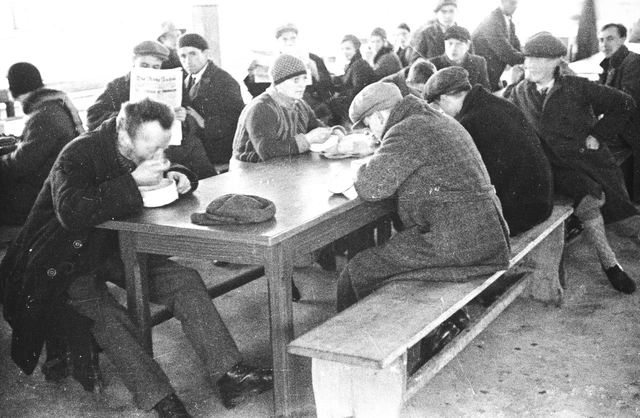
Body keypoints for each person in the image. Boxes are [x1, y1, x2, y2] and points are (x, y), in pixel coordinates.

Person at [0, 98, 273, 418]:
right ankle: (161, 400)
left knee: (183, 280)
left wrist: (182, 176)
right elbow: (71, 212)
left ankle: (230, 374)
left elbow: (168, 171)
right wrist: (132, 182)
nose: (159, 155)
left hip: (112, 245)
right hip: (61, 258)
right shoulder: (77, 153)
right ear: (124, 135)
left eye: (163, 148)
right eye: (152, 148)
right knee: (107, 315)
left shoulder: (141, 145)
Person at [336, 82, 510, 312]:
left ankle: (361, 341)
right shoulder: (433, 117)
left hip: (457, 242)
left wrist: (361, 167)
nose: (373, 134)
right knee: (383, 260)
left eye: (369, 127)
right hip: (484, 234)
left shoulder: (407, 129)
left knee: (357, 270)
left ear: (378, 116)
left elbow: (371, 187)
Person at [503, 31, 640, 295]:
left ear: (555, 62)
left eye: (536, 59)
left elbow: (624, 103)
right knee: (587, 198)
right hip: (553, 167)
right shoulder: (519, 92)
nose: (528, 64)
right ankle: (611, 264)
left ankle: (614, 260)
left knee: (625, 221)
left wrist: (598, 134)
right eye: (527, 58)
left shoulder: (575, 87)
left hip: (588, 162)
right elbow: (502, 118)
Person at [425, 66, 553, 235]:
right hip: (541, 200)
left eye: (440, 107)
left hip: (518, 213)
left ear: (444, 98)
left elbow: (465, 179)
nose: (442, 113)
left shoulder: (469, 122)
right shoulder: (496, 103)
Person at [86, 40, 216, 179]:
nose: (150, 71)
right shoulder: (118, 86)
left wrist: (184, 118)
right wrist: (129, 116)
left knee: (202, 171)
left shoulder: (174, 83)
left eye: (155, 67)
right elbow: (93, 116)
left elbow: (190, 119)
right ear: (133, 61)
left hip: (174, 144)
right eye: (144, 65)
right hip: (139, 148)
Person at [0, 62, 84, 226]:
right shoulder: (51, 106)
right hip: (52, 185)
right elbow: (30, 147)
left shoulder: (44, 115)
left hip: (40, 197)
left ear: (12, 89)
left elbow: (21, 164)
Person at [232, 54, 331, 165]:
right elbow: (266, 151)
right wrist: (307, 139)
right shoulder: (261, 108)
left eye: (304, 79)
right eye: (296, 80)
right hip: (249, 170)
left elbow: (316, 127)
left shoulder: (300, 104)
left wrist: (334, 133)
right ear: (278, 83)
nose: (302, 85)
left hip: (283, 166)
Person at [178, 33, 245, 167]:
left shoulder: (225, 81)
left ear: (206, 54)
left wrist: (203, 122)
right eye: (183, 56)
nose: (187, 61)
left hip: (219, 153)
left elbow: (237, 120)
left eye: (193, 54)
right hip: (197, 150)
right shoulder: (186, 80)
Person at [243, 23, 334, 122]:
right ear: (277, 42)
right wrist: (251, 74)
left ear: (298, 40)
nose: (289, 43)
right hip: (278, 105)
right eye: (284, 39)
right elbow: (257, 92)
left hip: (307, 104)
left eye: (293, 38)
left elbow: (328, 90)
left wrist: (316, 74)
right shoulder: (268, 60)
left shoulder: (313, 59)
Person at [597, 23, 640, 202]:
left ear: (622, 39)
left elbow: (627, 102)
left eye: (610, 38)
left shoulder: (633, 62)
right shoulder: (612, 63)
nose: (604, 44)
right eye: (601, 40)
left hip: (631, 129)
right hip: (621, 126)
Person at [472, 0, 524, 91]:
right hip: (482, 73)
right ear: (502, 2)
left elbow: (516, 44)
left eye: (517, 3)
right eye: (512, 2)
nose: (516, 6)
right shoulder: (492, 20)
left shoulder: (509, 21)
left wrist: (528, 56)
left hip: (493, 72)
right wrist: (528, 59)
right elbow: (504, 50)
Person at [329, 34, 375, 127]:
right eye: (342, 49)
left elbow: (358, 89)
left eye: (348, 49)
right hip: (354, 102)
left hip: (358, 105)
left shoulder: (359, 65)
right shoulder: (355, 63)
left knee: (330, 105)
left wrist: (339, 95)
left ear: (356, 48)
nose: (345, 52)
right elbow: (346, 79)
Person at [430, 26, 491, 90]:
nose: (453, 48)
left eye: (459, 44)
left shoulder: (479, 62)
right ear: (444, 44)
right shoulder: (433, 64)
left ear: (468, 45)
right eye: (450, 43)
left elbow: (485, 91)